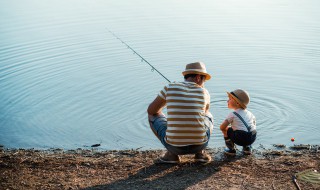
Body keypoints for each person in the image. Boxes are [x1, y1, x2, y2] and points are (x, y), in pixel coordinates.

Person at [147, 62, 214, 163]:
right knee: (208, 115)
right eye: (204, 80)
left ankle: (171, 155)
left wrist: (169, 102)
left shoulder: (169, 87)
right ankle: (200, 153)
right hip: (200, 144)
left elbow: (151, 111)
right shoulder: (205, 92)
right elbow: (203, 113)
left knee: (152, 115)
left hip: (174, 147)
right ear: (198, 77)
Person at [220, 89, 257, 156]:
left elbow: (222, 127)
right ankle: (247, 148)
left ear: (237, 103)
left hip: (240, 138)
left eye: (230, 99)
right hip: (253, 137)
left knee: (226, 129)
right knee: (247, 129)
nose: (227, 101)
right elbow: (254, 124)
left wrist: (228, 130)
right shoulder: (250, 113)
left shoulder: (233, 114)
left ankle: (231, 149)